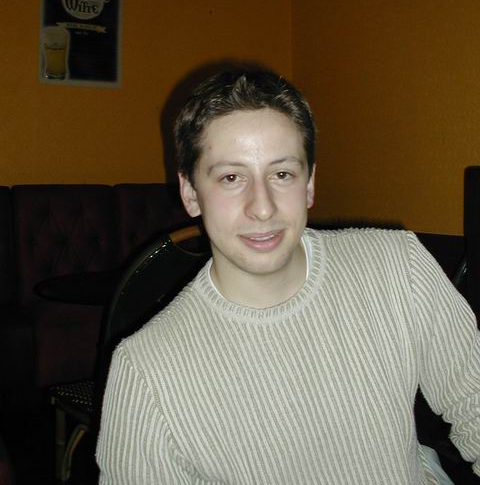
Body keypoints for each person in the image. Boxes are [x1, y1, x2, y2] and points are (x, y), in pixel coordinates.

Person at [96, 67, 480, 484]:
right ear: (190, 193)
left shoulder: (398, 267)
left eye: (282, 174)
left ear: (309, 183)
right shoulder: (146, 372)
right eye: (231, 178)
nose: (262, 207)